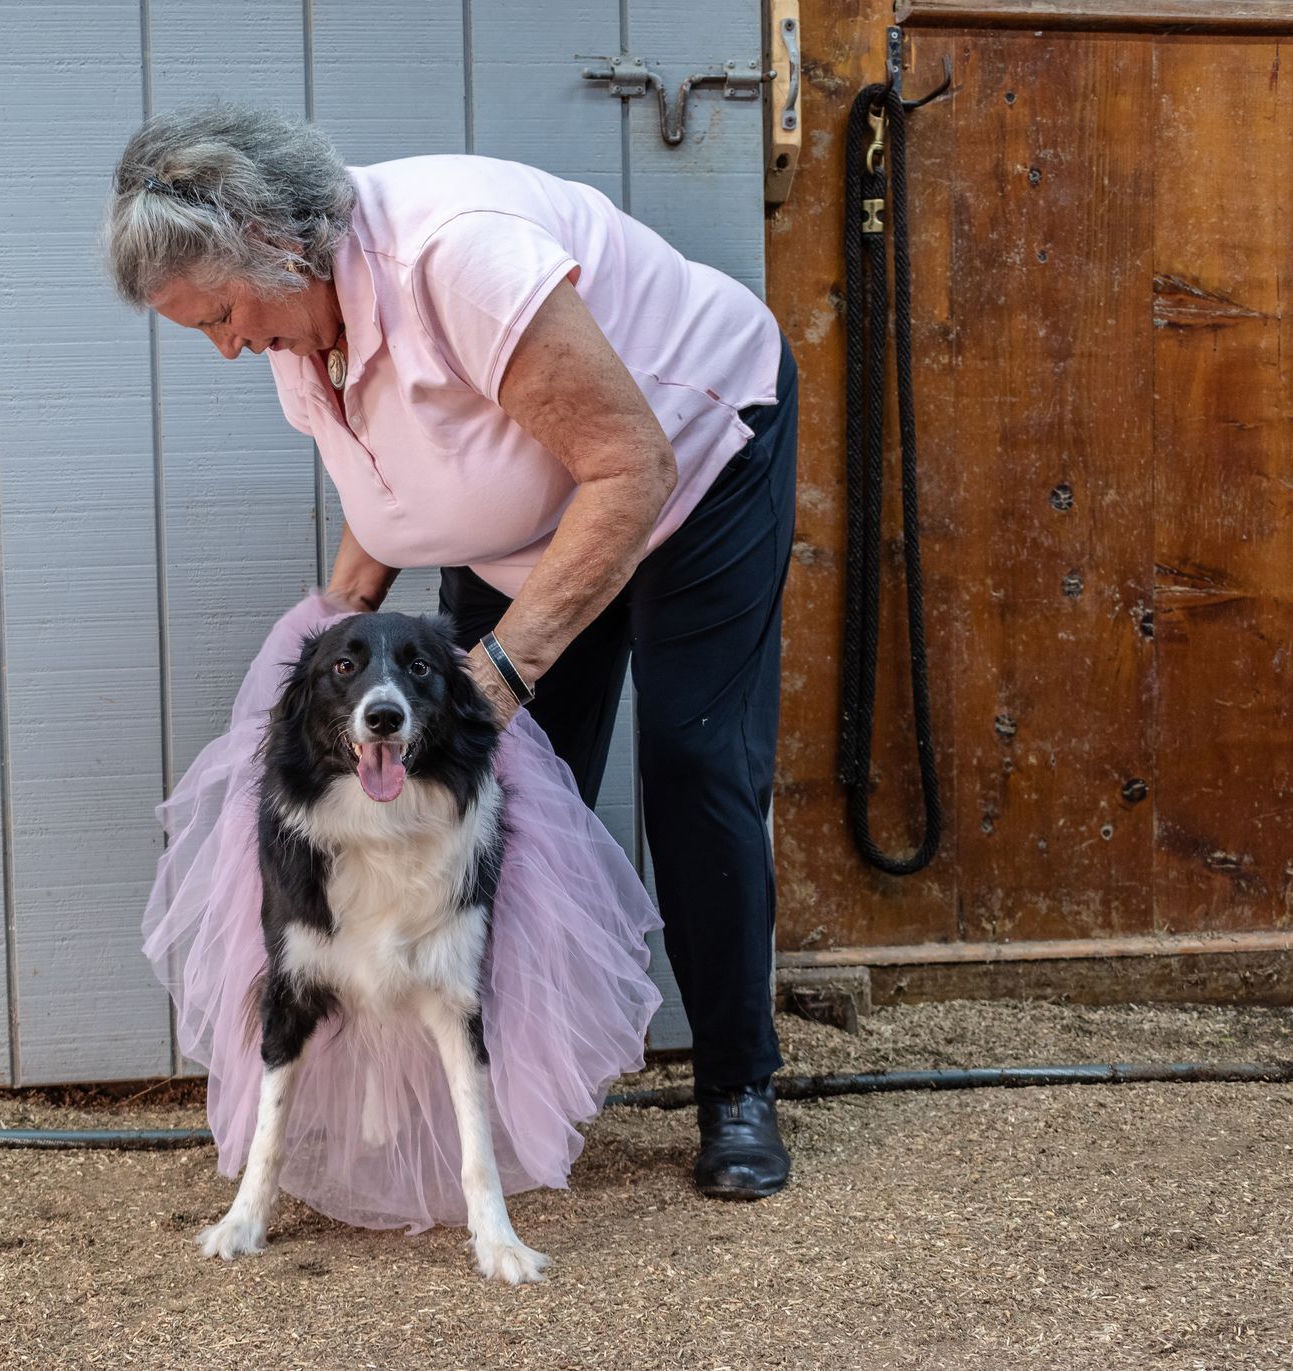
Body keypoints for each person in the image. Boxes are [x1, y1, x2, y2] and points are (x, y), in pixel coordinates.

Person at [104, 105, 797, 1200]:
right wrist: (328, 632)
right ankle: (508, 1094)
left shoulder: (454, 257)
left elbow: (628, 468)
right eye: (203, 330)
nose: (228, 345)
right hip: (520, 524)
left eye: (226, 314)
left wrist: (504, 674)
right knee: (489, 806)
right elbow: (389, 490)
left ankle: (736, 1089)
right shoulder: (303, 328)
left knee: (693, 761)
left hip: (684, 475)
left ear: (281, 248)